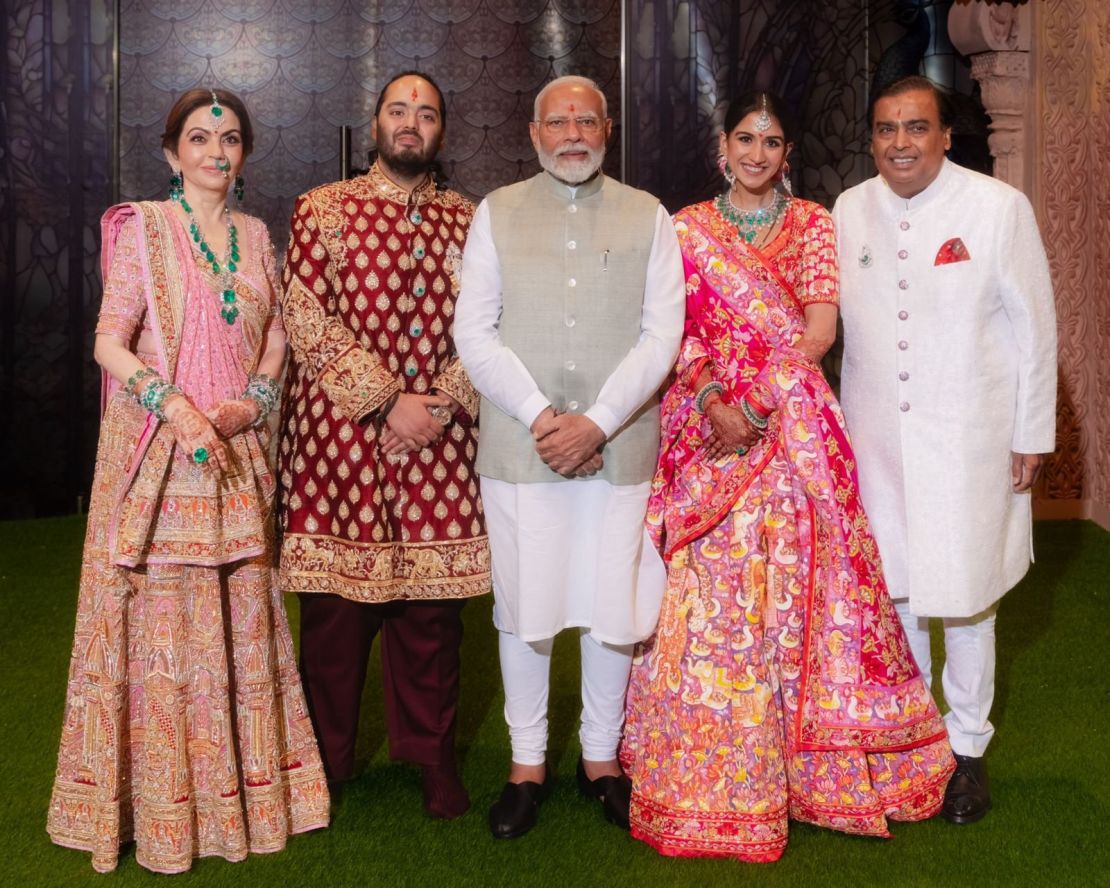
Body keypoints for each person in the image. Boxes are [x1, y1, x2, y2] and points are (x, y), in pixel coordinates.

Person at [621, 90, 956, 862]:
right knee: (709, 592)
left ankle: (809, 773)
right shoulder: (685, 231)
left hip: (791, 424)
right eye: (746, 138)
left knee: (801, 587)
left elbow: (818, 328)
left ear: (786, 154)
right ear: (722, 145)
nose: (757, 153)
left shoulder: (811, 224)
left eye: (772, 142)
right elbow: (674, 329)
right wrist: (713, 398)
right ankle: (711, 772)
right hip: (705, 425)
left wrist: (762, 401)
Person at [47, 88, 329, 874]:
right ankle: (164, 805)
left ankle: (251, 793)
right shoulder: (144, 229)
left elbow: (275, 334)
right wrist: (171, 404)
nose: (216, 151)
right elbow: (109, 340)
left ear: (243, 154)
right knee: (168, 626)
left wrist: (258, 398)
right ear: (172, 153)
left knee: (240, 614)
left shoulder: (254, 233)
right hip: (164, 459)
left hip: (237, 454)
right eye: (200, 138)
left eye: (230, 138)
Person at [454, 74, 685, 839]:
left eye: (588, 120)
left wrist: (600, 422)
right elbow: (474, 333)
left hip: (619, 449)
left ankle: (600, 759)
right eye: (559, 121)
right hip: (523, 450)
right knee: (527, 606)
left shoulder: (649, 216)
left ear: (608, 129)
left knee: (611, 602)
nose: (574, 133)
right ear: (534, 132)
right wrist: (545, 417)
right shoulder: (496, 213)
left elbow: (663, 336)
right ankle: (525, 765)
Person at [833, 75, 1057, 825]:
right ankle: (911, 739)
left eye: (916, 127)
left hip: (970, 436)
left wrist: (1033, 431)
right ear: (872, 139)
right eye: (887, 129)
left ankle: (966, 752)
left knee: (965, 599)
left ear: (945, 135)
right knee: (894, 593)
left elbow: (1035, 327)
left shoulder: (997, 208)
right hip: (876, 439)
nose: (901, 143)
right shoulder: (848, 208)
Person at [278, 71, 488, 820]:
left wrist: (440, 403)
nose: (411, 124)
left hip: (440, 436)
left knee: (433, 619)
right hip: (343, 440)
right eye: (398, 110)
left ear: (441, 131)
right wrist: (384, 402)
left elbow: (493, 322)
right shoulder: (323, 211)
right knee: (335, 619)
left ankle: (433, 759)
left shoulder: (472, 221)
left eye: (426, 114)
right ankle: (327, 762)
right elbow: (305, 315)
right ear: (374, 124)